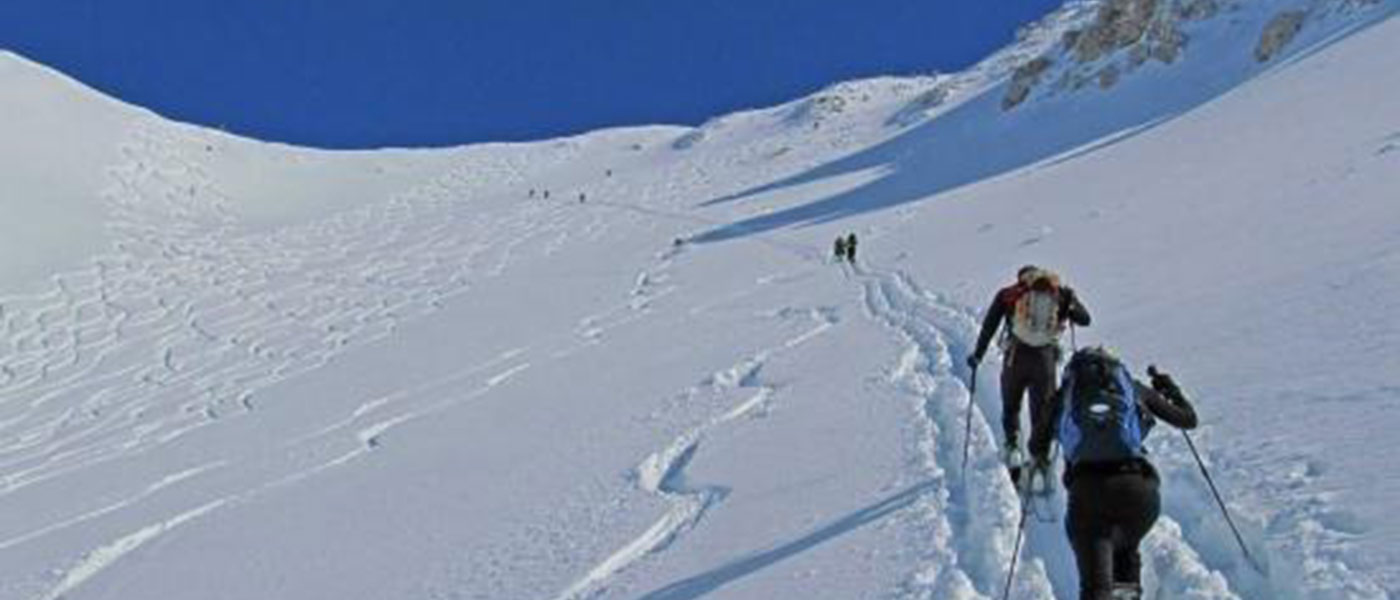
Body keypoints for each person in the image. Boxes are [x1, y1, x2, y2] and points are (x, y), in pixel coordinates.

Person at [1027, 347, 1198, 600]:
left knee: (1096, 590)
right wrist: (1169, 389)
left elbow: (1036, 445)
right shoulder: (1132, 387)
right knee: (1126, 551)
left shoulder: (1065, 395)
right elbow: (1188, 420)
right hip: (1139, 493)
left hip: (1088, 495)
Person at [966, 265, 1090, 471]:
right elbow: (1085, 320)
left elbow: (990, 326)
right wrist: (1071, 302)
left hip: (1015, 358)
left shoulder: (1009, 294)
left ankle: (1013, 448)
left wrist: (977, 355)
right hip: (1045, 361)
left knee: (1011, 405)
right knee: (1042, 413)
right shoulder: (1060, 295)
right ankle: (1040, 461)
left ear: (1021, 279)